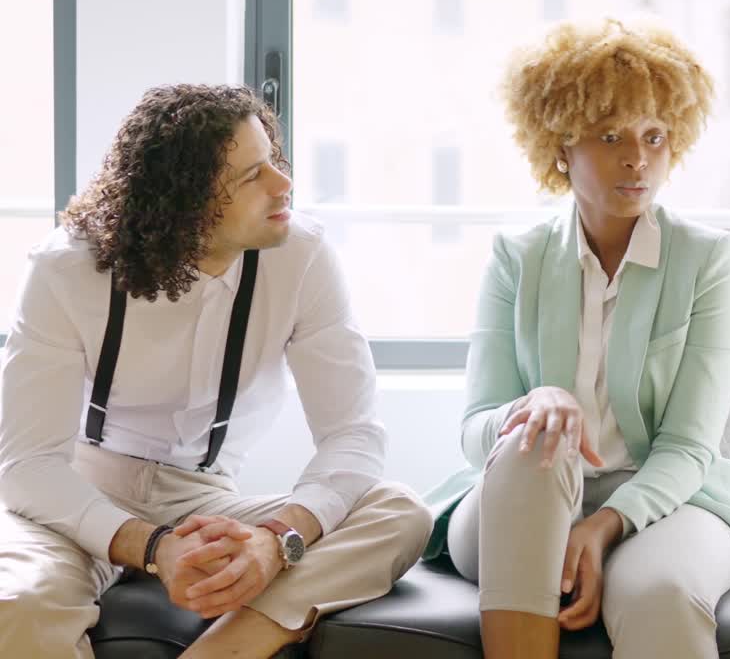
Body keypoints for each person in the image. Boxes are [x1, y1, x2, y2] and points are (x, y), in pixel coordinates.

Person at [0, 84, 433, 658]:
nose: (285, 184)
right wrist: (153, 547)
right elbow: (28, 465)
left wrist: (275, 542)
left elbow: (353, 435)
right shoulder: (67, 269)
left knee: (398, 510)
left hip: (206, 497)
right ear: (185, 202)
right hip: (81, 487)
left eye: (273, 161)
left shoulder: (302, 256)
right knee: (20, 602)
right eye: (253, 176)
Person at [422, 19, 730, 658]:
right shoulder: (516, 258)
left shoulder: (707, 260)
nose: (638, 158)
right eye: (610, 136)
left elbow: (688, 445)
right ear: (560, 146)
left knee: (660, 593)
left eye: (655, 137)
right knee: (533, 448)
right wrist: (532, 405)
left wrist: (600, 528)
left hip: (672, 497)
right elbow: (475, 430)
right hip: (518, 499)